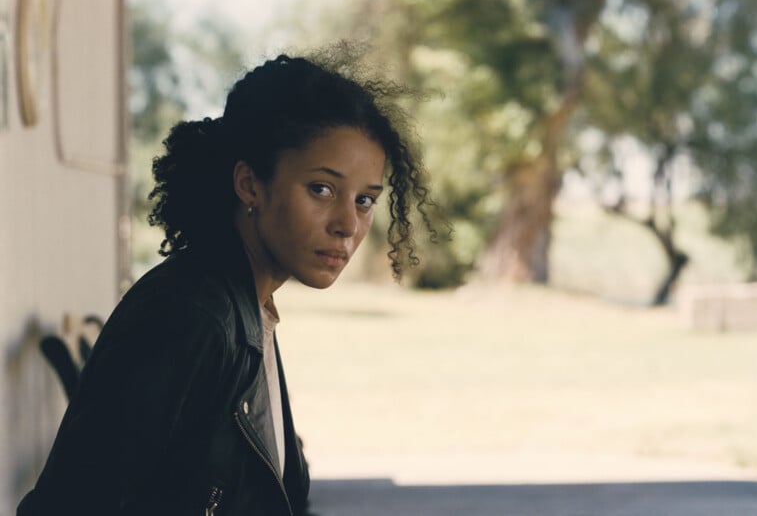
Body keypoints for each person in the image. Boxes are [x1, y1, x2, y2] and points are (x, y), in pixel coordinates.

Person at [18, 47, 440, 516]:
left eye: (364, 200)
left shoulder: (248, 306)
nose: (347, 223)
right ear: (249, 184)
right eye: (321, 188)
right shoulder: (192, 317)